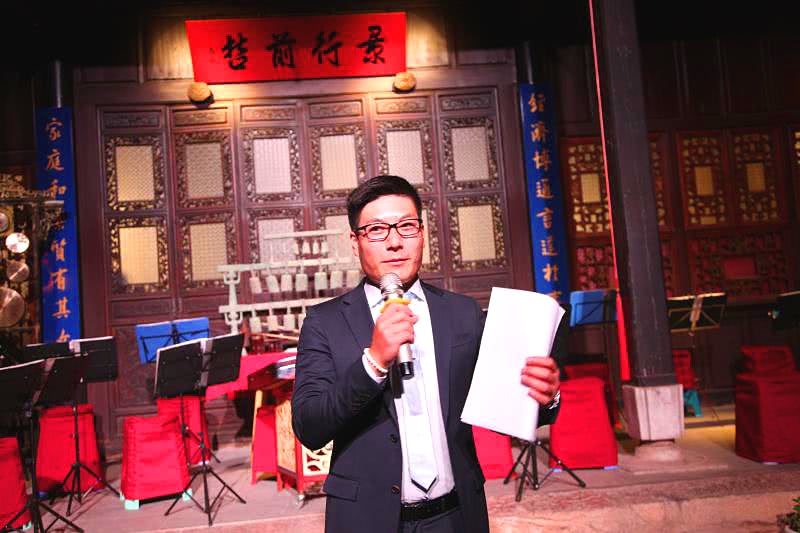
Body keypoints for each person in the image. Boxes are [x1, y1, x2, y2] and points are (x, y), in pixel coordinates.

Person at [292, 175, 561, 533]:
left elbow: (512, 406)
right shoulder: (325, 322)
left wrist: (545, 394)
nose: (394, 242)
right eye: (376, 230)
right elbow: (309, 426)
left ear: (422, 233)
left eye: (406, 226)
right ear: (355, 242)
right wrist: (373, 362)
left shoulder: (462, 313)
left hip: (455, 515)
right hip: (366, 519)